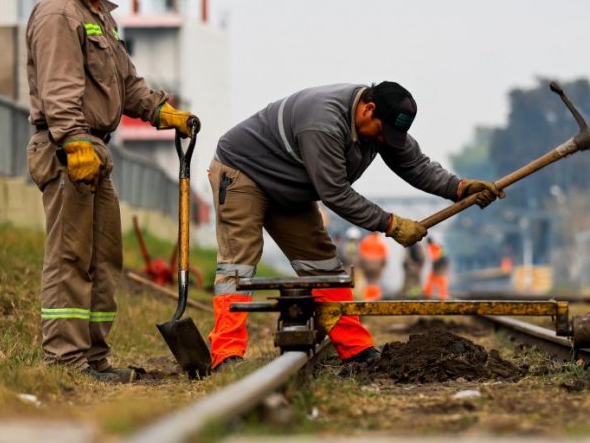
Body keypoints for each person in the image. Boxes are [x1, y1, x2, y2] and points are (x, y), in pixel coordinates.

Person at [207, 81, 503, 370]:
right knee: (239, 262)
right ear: (368, 109)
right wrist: (392, 224)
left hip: (289, 185)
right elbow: (335, 193)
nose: (386, 141)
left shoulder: (382, 127)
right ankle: (226, 353)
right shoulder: (323, 123)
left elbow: (416, 166)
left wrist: (460, 188)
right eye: (383, 132)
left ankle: (356, 349)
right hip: (243, 172)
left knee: (323, 266)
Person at [25, 0, 196, 384]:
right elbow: (59, 90)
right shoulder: (59, 15)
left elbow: (127, 84)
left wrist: (164, 112)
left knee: (104, 259)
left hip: (96, 151)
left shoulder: (100, 18)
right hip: (67, 149)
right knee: (70, 256)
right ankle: (65, 359)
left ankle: (95, 359)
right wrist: (74, 141)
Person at [357, 231, 388, 300]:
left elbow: (361, 255)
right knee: (376, 282)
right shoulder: (381, 242)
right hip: (377, 266)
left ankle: (368, 298)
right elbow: (384, 256)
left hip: (367, 266)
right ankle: (376, 299)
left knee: (368, 282)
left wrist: (361, 266)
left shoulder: (366, 240)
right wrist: (382, 266)